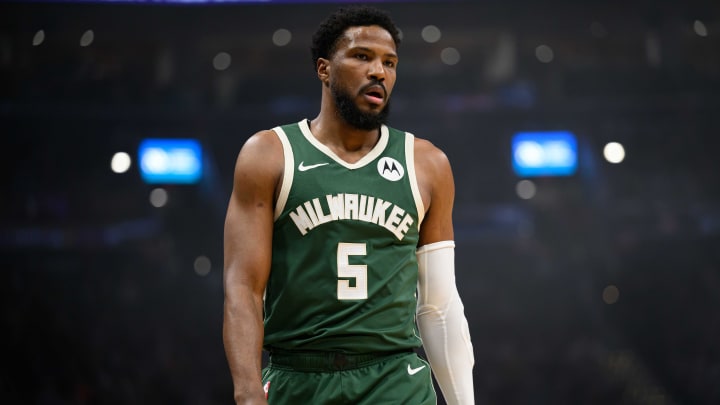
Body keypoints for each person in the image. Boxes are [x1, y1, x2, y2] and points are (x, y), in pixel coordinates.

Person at [223, 5, 474, 405]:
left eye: (389, 63)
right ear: (324, 69)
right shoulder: (269, 155)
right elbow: (243, 288)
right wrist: (249, 392)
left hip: (395, 378)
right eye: (362, 57)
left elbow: (439, 304)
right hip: (297, 375)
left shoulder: (427, 164)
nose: (379, 71)